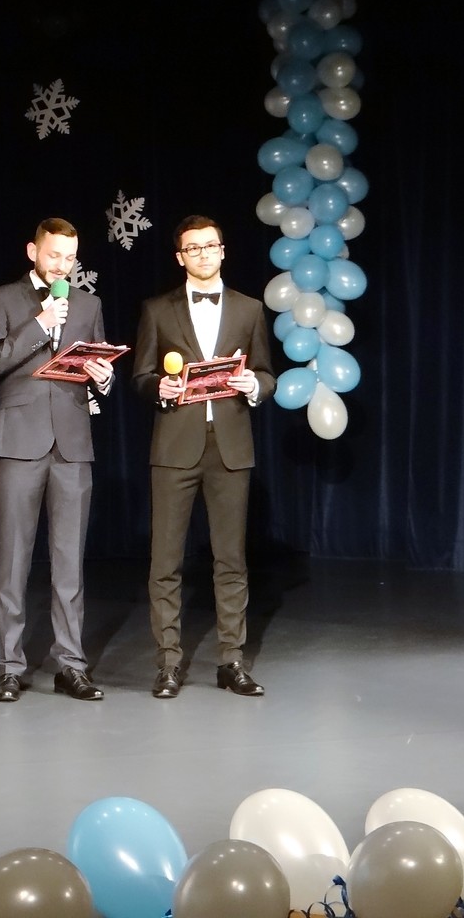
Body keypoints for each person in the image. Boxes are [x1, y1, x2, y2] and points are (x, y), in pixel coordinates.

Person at [132, 215, 276, 699]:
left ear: (222, 250)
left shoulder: (249, 309)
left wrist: (254, 385)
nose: (203, 254)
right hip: (175, 446)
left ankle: (231, 661)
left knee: (230, 560)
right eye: (192, 248)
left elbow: (266, 372)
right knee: (165, 561)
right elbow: (140, 377)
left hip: (230, 447)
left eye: (210, 245)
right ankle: (168, 664)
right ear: (180, 257)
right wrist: (159, 388)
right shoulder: (157, 309)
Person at [0, 218, 115, 702]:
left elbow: (96, 363)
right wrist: (40, 325)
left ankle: (71, 665)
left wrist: (103, 376)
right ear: (32, 251)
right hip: (18, 439)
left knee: (69, 562)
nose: (62, 265)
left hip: (72, 441)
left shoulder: (88, 304)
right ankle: (9, 667)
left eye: (70, 257)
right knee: (14, 560)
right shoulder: (3, 299)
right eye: (54, 255)